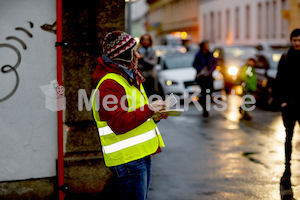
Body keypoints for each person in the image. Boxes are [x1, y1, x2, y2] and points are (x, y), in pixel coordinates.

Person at [92, 31, 167, 200]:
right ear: (125, 54)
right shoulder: (110, 84)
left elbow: (135, 113)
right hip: (128, 161)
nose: (139, 55)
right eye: (135, 51)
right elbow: (119, 123)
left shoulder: (126, 78)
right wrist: (149, 109)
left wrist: (154, 115)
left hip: (138, 156)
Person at [275, 28, 300, 166]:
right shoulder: (285, 58)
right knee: (289, 137)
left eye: (299, 40)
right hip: (289, 105)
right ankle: (287, 167)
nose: (297, 43)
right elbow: (279, 81)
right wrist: (282, 102)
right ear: (291, 41)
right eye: (295, 40)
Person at [193, 40, 216, 117]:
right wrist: (201, 69)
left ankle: (206, 105)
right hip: (202, 77)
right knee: (204, 93)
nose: (208, 46)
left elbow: (214, 62)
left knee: (210, 91)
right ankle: (205, 109)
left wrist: (210, 70)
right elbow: (194, 64)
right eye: (206, 45)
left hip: (209, 76)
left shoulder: (210, 54)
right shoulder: (199, 55)